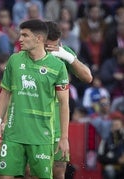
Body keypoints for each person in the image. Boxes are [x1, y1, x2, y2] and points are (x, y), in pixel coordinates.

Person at [0, 19, 70, 179]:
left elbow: (64, 104)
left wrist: (64, 138)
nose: (20, 39)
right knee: (3, 176)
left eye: (25, 35)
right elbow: (5, 92)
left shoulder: (58, 66)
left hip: (41, 137)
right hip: (13, 134)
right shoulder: (14, 60)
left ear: (39, 38)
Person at [45, 21, 93, 179]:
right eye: (47, 45)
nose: (49, 48)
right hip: (35, 115)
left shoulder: (64, 52)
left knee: (59, 170)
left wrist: (67, 56)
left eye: (53, 44)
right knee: (30, 171)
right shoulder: (31, 53)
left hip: (58, 116)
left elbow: (88, 77)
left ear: (59, 40)